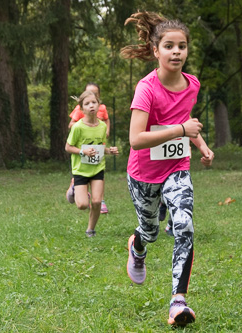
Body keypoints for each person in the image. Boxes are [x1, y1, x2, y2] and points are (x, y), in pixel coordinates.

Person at [120, 11, 214, 327]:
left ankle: (178, 301)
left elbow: (188, 125)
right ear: (156, 50)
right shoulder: (146, 88)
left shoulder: (192, 84)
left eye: (182, 46)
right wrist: (181, 130)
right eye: (169, 46)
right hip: (143, 174)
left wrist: (201, 145)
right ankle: (138, 245)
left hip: (177, 167)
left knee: (184, 225)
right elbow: (136, 139)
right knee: (150, 230)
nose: (176, 52)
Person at [65, 90, 119, 237]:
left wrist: (109, 151)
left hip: (97, 168)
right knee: (82, 205)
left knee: (96, 202)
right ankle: (74, 188)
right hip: (81, 170)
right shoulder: (77, 127)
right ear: (82, 109)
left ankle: (91, 230)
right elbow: (68, 147)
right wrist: (83, 152)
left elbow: (99, 148)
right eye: (87, 104)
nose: (91, 106)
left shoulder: (102, 126)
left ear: (99, 105)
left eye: (94, 102)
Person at [67, 82, 111, 214]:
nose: (91, 104)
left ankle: (100, 200)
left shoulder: (102, 108)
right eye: (89, 93)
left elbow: (107, 120)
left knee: (99, 175)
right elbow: (71, 125)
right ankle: (76, 186)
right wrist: (84, 127)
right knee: (82, 203)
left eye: (95, 95)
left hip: (97, 149)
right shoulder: (81, 109)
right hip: (82, 153)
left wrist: (106, 130)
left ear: (98, 97)